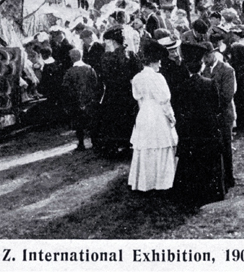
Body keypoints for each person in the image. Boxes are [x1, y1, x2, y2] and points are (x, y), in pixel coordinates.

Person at [171, 42, 225, 206]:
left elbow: (178, 109)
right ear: (201, 66)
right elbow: (217, 106)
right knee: (208, 160)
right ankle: (211, 192)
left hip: (190, 129)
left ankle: (189, 192)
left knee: (190, 161)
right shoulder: (210, 83)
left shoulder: (181, 87)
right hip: (207, 128)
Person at [128, 41, 178, 193]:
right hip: (157, 113)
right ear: (154, 61)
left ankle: (145, 181)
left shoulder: (137, 78)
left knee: (146, 146)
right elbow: (164, 100)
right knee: (161, 145)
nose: (160, 65)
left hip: (144, 113)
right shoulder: (158, 78)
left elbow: (137, 96)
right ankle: (162, 181)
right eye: (159, 61)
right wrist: (171, 117)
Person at [94, 27, 142, 157]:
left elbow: (103, 76)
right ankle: (128, 145)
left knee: (113, 119)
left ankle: (114, 146)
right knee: (128, 118)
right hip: (128, 92)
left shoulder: (106, 57)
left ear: (112, 41)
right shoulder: (131, 54)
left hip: (113, 93)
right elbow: (138, 73)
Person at [202, 40, 237, 190]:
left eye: (207, 56)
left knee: (225, 147)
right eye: (203, 57)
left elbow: (226, 96)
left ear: (213, 54)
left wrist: (209, 106)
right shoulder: (203, 70)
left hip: (223, 115)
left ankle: (229, 178)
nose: (204, 60)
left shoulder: (226, 70)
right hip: (209, 116)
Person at [61, 49, 101, 151]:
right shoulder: (90, 69)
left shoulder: (69, 72)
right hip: (89, 100)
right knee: (92, 122)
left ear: (71, 58)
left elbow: (65, 88)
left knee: (78, 123)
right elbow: (96, 84)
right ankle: (94, 142)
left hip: (76, 101)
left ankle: (81, 143)